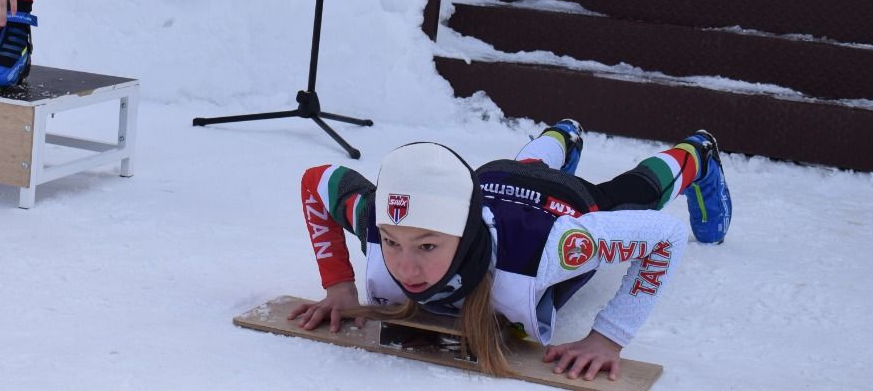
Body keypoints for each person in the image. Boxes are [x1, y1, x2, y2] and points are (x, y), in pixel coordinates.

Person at [292, 121, 732, 381]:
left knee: (638, 191)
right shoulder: (377, 216)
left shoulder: (559, 245)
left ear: (463, 236)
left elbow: (663, 237)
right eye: (392, 242)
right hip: (494, 179)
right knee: (524, 168)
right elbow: (318, 179)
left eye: (427, 246)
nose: (406, 266)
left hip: (561, 204)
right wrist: (338, 286)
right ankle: (563, 134)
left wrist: (608, 337)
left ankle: (698, 152)